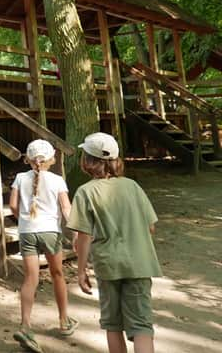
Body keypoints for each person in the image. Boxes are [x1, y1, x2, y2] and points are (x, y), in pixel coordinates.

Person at [68, 132, 161, 353]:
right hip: (139, 263)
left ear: (87, 161)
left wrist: (81, 270)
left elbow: (84, 236)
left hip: (108, 265)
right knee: (142, 326)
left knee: (113, 324)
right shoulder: (133, 187)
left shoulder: (85, 192)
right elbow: (151, 227)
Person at [10, 139, 78, 353]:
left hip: (27, 232)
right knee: (57, 274)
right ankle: (64, 320)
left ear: (28, 159)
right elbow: (66, 208)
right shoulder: (57, 180)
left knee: (30, 278)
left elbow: (13, 205)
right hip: (50, 232)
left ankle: (25, 326)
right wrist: (75, 233)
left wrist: (22, 219)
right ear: (51, 159)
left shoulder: (20, 178)